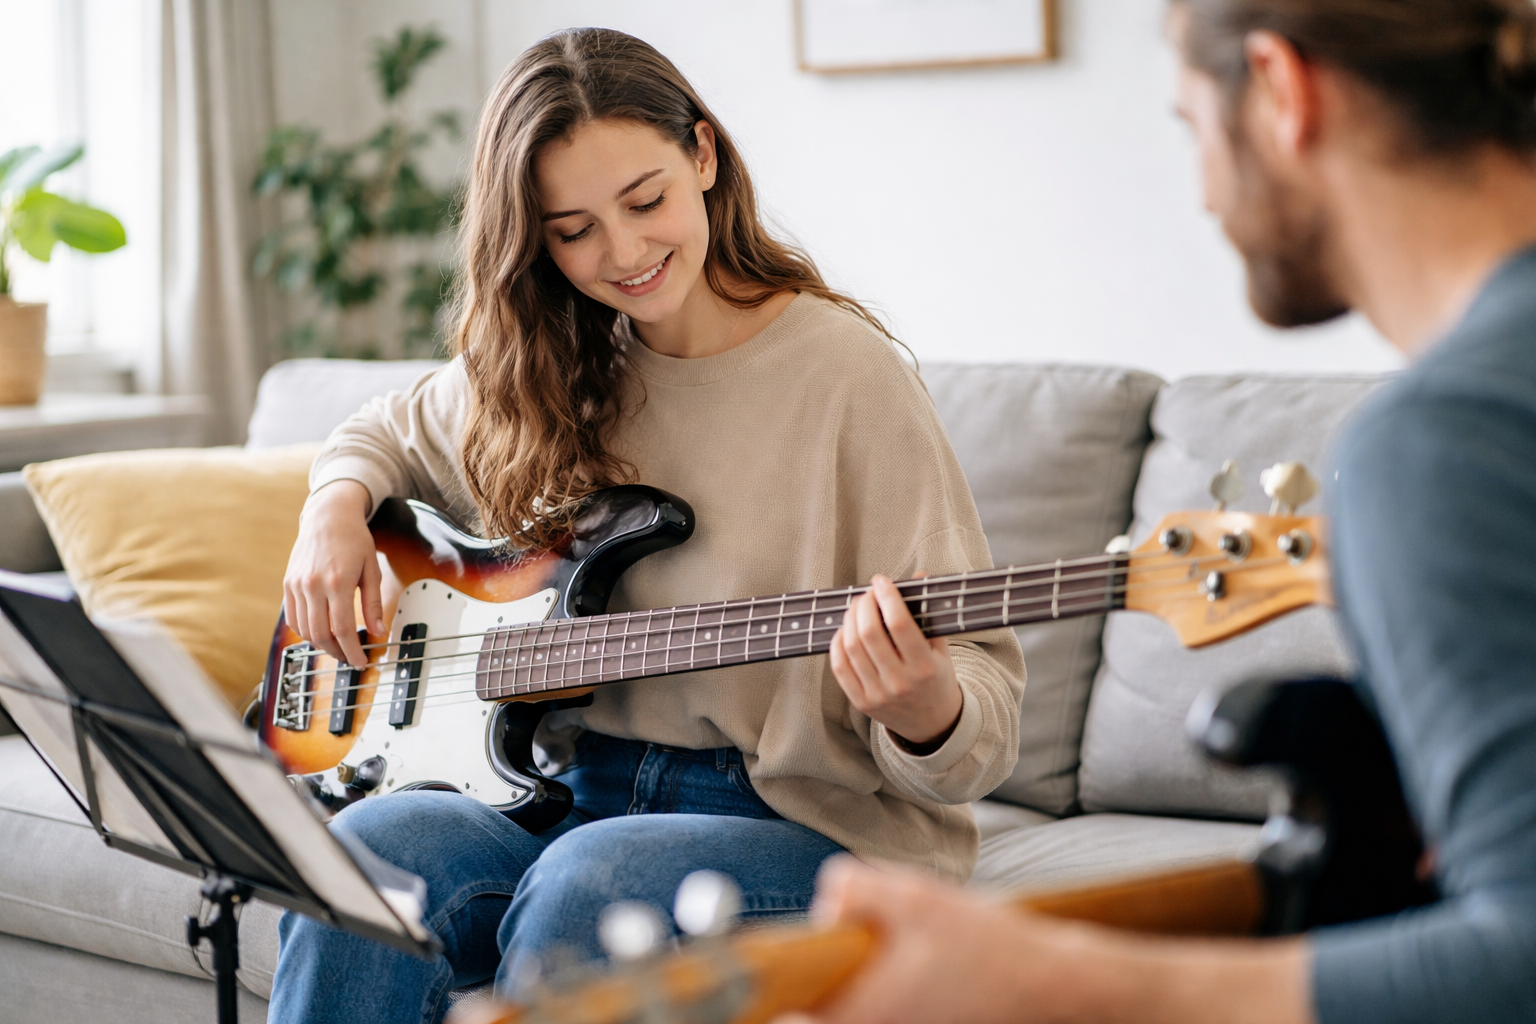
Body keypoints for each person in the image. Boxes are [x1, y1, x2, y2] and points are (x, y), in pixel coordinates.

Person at [779, 2, 1536, 1023]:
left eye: (1189, 125)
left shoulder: (1445, 439)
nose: (1203, 193)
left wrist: (1040, 975)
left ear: (1280, 89)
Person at [267, 27, 1025, 1024]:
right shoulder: (555, 362)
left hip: (799, 818)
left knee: (590, 884)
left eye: (645, 201)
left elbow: (987, 715)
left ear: (703, 158)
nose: (621, 253)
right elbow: (382, 432)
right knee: (360, 856)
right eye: (572, 228)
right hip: (557, 787)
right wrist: (331, 511)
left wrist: (925, 704)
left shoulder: (849, 378)